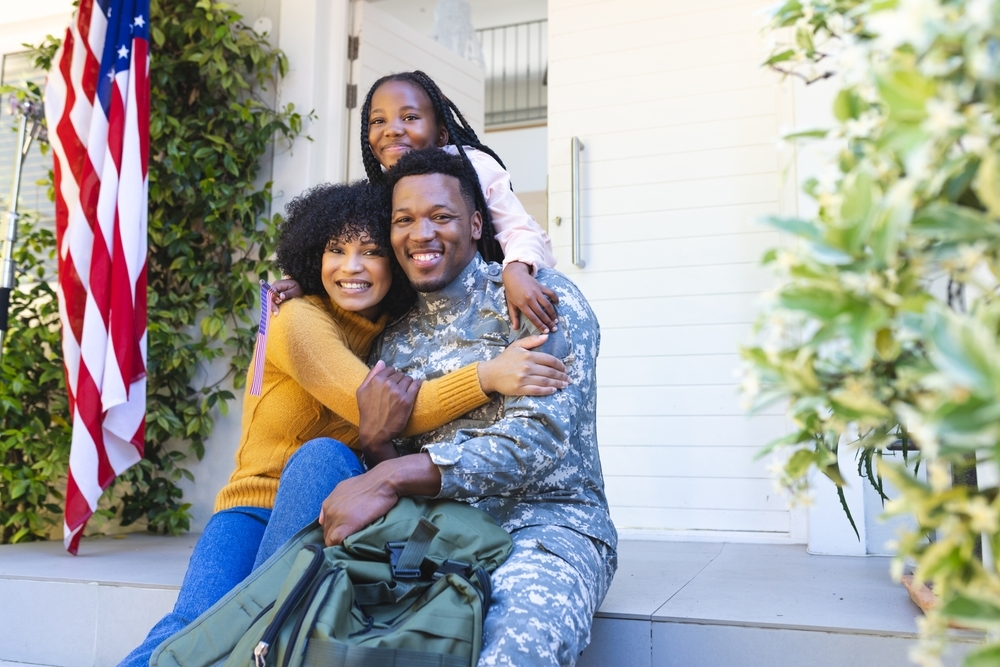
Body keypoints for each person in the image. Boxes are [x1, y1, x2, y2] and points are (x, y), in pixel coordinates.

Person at [118, 181, 570, 667]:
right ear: (314, 256)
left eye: (369, 251)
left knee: (256, 627)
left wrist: (516, 266)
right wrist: (488, 375)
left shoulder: (390, 334)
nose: (350, 267)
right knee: (192, 628)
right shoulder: (299, 322)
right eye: (335, 251)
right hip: (254, 507)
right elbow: (383, 407)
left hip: (326, 507)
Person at [319, 150, 617, 667]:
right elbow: (398, 460)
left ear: (476, 223)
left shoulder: (539, 301)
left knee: (511, 649)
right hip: (437, 533)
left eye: (441, 216)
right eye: (404, 220)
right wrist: (376, 446)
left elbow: (536, 442)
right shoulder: (395, 342)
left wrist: (391, 476)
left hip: (546, 526)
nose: (421, 234)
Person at [275, 70, 560, 333]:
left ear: (441, 134)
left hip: (494, 300)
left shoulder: (471, 167)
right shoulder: (386, 190)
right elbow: (352, 250)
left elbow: (519, 229)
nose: (393, 129)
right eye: (378, 120)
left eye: (409, 117)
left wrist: (517, 271)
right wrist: (303, 280)